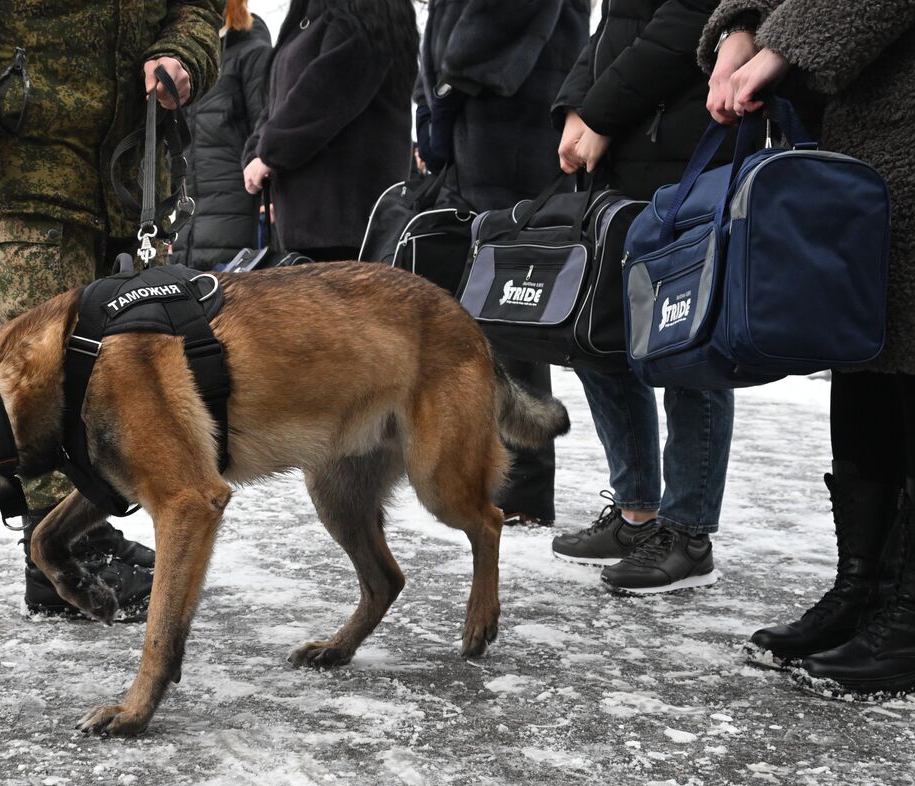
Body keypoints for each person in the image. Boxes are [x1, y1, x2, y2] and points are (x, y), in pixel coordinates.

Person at [0, 0, 221, 618]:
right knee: (43, 384)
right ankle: (63, 555)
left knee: (126, 382)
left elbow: (194, 8)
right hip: (29, 166)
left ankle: (93, 532)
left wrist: (184, 52)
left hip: (132, 170)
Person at [700, 0, 915, 697]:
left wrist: (777, 48)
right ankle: (863, 588)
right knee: (865, 347)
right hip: (861, 116)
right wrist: (739, 27)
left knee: (906, 350)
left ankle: (907, 614)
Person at [548, 0, 734, 596]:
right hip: (624, 145)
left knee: (685, 338)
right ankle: (636, 513)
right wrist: (577, 108)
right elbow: (612, 27)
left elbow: (688, 25)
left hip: (683, 144)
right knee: (601, 333)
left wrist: (601, 114)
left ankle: (688, 530)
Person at [418, 0, 591, 529]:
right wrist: (434, 105)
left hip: (510, 136)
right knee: (488, 310)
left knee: (514, 309)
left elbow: (496, 24)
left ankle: (524, 490)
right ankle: (497, 477)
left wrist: (447, 94)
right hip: (484, 135)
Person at [242, 0, 419, 263]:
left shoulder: (365, 14)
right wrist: (256, 152)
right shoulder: (309, 18)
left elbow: (324, 93)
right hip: (305, 221)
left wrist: (269, 153)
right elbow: (276, 100)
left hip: (342, 221)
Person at [169, 0, 272, 270]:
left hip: (237, 225)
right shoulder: (183, 63)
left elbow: (265, 133)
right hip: (183, 232)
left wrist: (269, 203)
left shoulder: (252, 53)